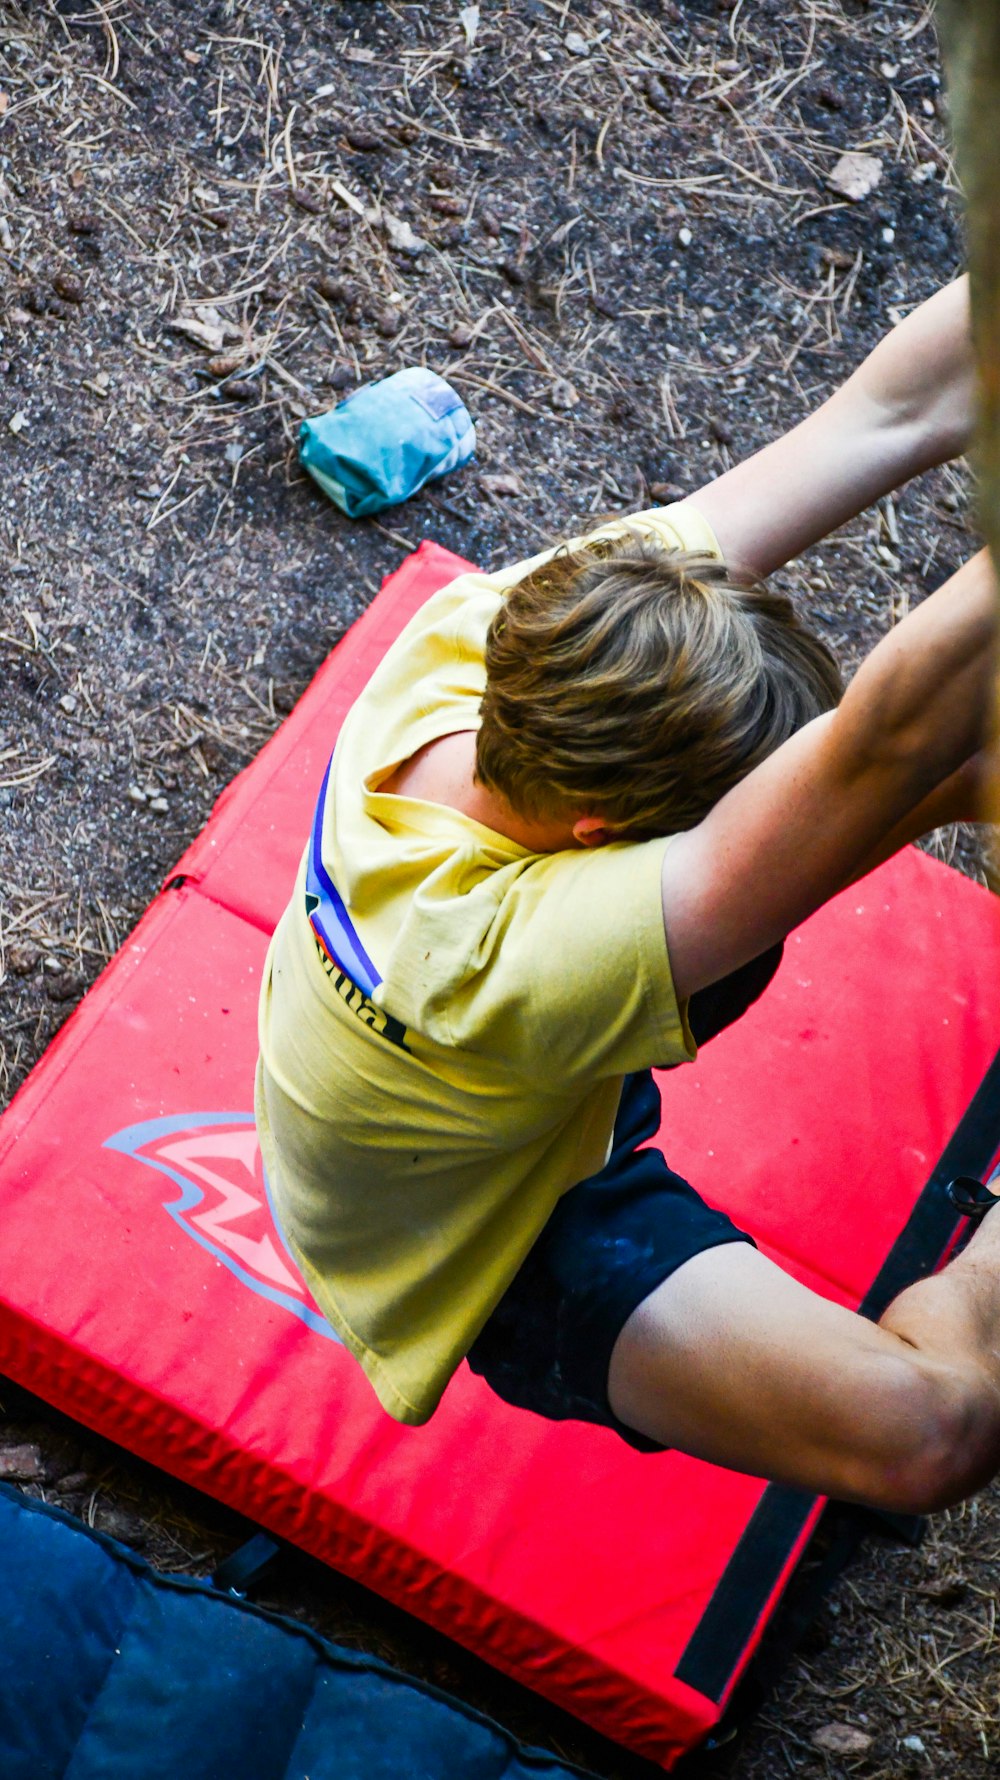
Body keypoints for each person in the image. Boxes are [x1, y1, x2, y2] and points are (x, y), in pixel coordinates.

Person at [256, 277, 1000, 1513]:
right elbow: (887, 743)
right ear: (602, 835)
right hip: (481, 1235)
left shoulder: (509, 636)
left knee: (917, 785)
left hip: (445, 1077)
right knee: (924, 1433)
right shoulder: (494, 963)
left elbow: (893, 409)